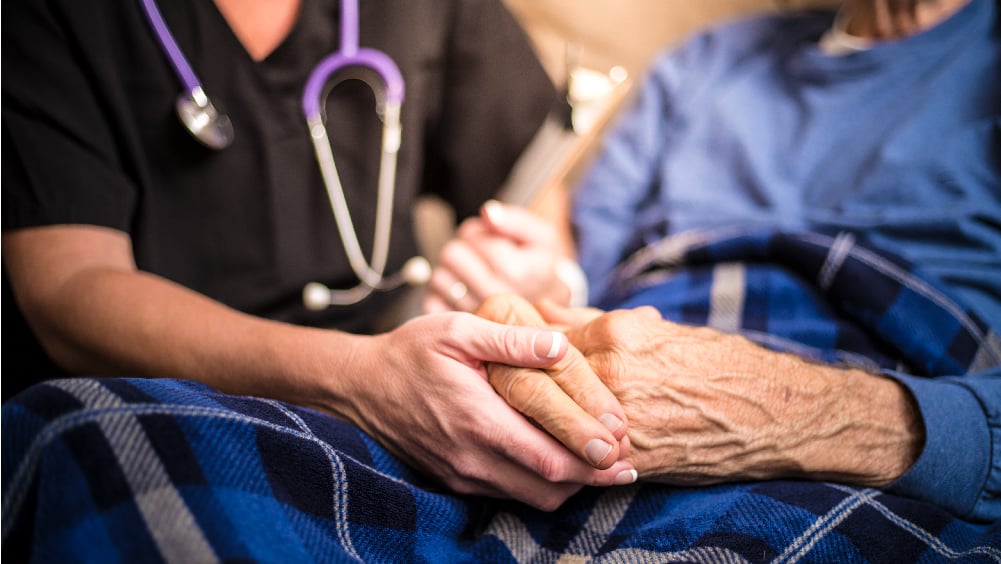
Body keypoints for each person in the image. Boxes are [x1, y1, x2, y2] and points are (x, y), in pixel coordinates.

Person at [0, 0, 640, 510]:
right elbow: (69, 286)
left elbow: (534, 195)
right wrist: (361, 381)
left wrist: (536, 271)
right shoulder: (46, 19)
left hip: (413, 392)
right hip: (163, 404)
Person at [426, 0, 1001, 523]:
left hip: (886, 396)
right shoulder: (704, 61)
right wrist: (543, 282)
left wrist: (799, 416)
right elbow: (587, 273)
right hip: (632, 374)